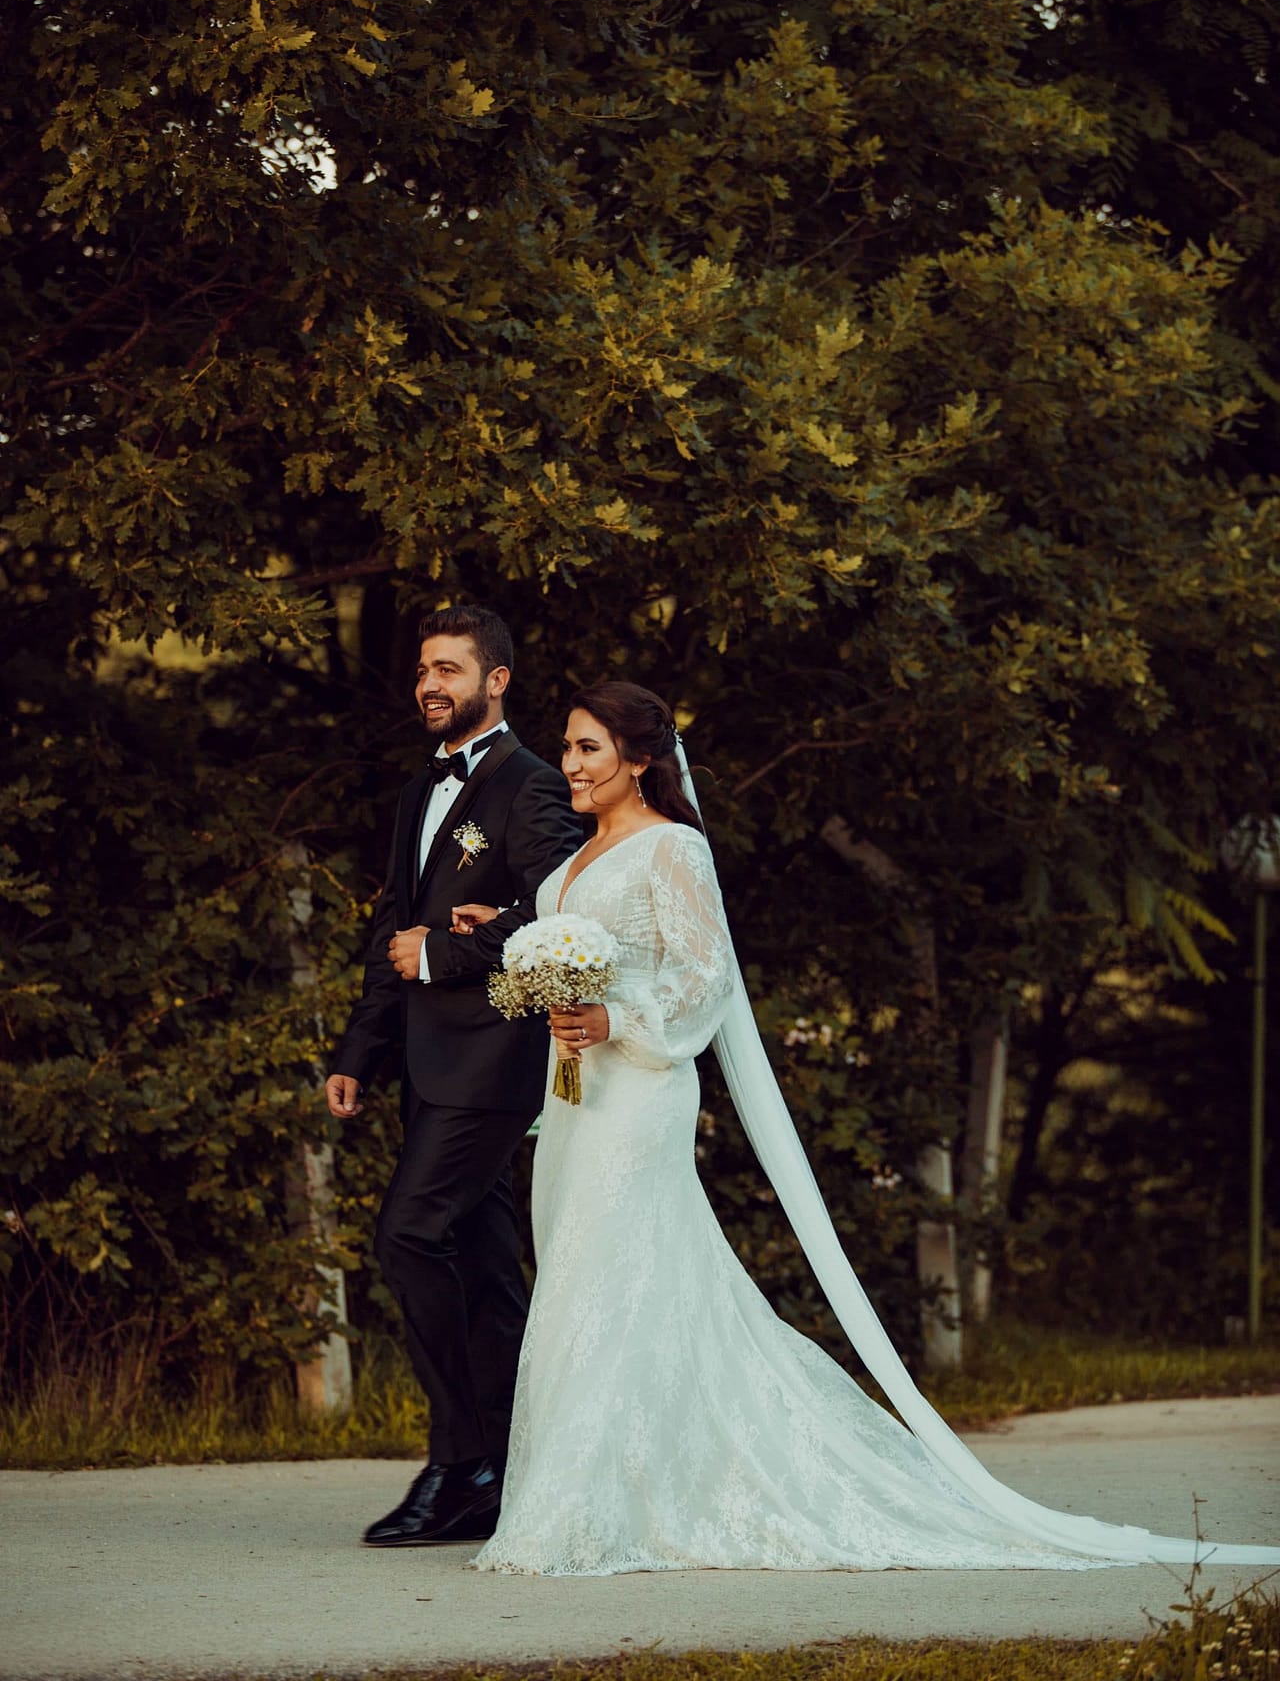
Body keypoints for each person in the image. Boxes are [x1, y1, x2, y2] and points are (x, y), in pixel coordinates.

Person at [451, 680, 1278, 1576]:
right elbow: (579, 946)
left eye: (588, 748)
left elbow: (705, 977)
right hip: (577, 1095)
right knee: (593, 1270)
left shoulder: (673, 848)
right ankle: (620, 1487)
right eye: (567, 748)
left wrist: (617, 1019)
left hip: (642, 1089)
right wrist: (509, 938)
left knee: (609, 1271)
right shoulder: (578, 857)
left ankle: (584, 1508)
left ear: (640, 758)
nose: (570, 765)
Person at [325, 606, 582, 1548]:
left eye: (449, 669)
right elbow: (391, 928)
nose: (430, 684)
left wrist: (445, 953)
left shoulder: (533, 784)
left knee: (407, 1234)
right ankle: (505, 1475)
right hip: (427, 1067)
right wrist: (360, 1052)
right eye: (424, 670)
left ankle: (459, 1458)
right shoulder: (416, 792)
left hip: (493, 1061)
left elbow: (561, 917)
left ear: (496, 680)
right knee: (484, 1267)